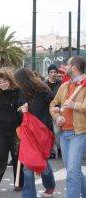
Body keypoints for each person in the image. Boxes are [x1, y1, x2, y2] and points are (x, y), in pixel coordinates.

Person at [15, 68, 56, 198]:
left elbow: (54, 104)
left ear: (24, 80)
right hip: (29, 131)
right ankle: (28, 195)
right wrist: (22, 108)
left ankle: (49, 185)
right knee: (28, 164)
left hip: (43, 131)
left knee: (42, 161)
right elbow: (20, 105)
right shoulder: (23, 92)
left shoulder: (44, 91)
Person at [50, 56, 86, 198]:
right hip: (63, 133)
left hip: (79, 133)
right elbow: (53, 104)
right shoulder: (64, 86)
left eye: (67, 65)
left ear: (73, 68)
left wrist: (75, 105)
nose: (63, 67)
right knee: (74, 170)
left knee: (71, 171)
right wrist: (57, 116)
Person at [45, 64, 62, 159]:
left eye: (55, 72)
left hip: (57, 110)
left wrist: (59, 107)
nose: (53, 74)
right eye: (51, 72)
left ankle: (59, 149)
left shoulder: (60, 83)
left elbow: (62, 96)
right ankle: (51, 151)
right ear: (48, 73)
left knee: (56, 131)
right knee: (48, 131)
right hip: (47, 110)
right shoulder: (44, 84)